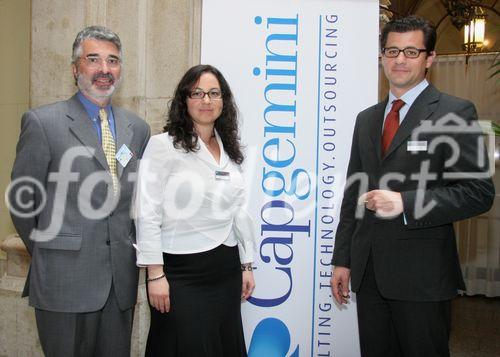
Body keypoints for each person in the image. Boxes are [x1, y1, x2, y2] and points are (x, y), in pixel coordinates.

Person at [330, 16, 495, 357]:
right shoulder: (367, 119)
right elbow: (353, 194)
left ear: (429, 58)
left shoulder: (456, 112)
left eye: (410, 51)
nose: (400, 59)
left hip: (423, 279)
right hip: (369, 273)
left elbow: (479, 193)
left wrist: (406, 203)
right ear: (382, 56)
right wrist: (342, 260)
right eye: (392, 50)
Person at [9, 26, 150, 356]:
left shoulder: (137, 128)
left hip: (120, 284)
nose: (104, 69)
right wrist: (51, 249)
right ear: (75, 69)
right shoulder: (43, 122)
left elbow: (134, 201)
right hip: (63, 280)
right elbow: (22, 201)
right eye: (93, 59)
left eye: (113, 60)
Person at [135, 64, 256, 356]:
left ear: (223, 101)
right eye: (197, 93)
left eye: (214, 93)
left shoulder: (231, 149)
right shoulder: (162, 146)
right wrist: (155, 274)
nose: (206, 100)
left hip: (226, 270)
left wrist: (246, 264)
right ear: (184, 99)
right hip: (181, 275)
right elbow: (146, 211)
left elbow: (239, 211)